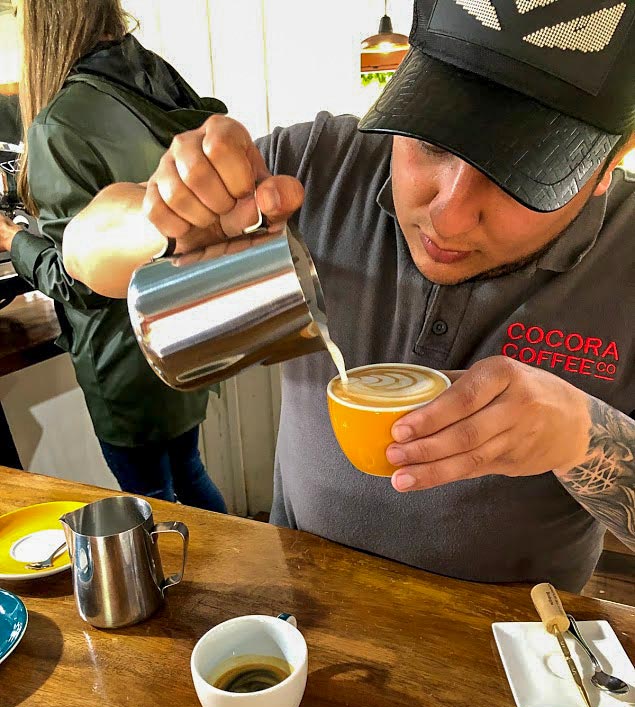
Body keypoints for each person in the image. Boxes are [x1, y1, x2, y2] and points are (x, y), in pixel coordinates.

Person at [64, 0, 635, 591]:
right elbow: (82, 250)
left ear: (610, 160)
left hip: (521, 639)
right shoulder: (318, 167)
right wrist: (165, 213)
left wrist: (583, 437)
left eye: (522, 172)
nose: (448, 216)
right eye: (433, 141)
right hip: (299, 606)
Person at [0, 0, 228, 512]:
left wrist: (12, 239)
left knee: (150, 499)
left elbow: (78, 279)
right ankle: (234, 564)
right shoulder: (157, 77)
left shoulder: (59, 122)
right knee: (190, 473)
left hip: (122, 363)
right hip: (186, 333)